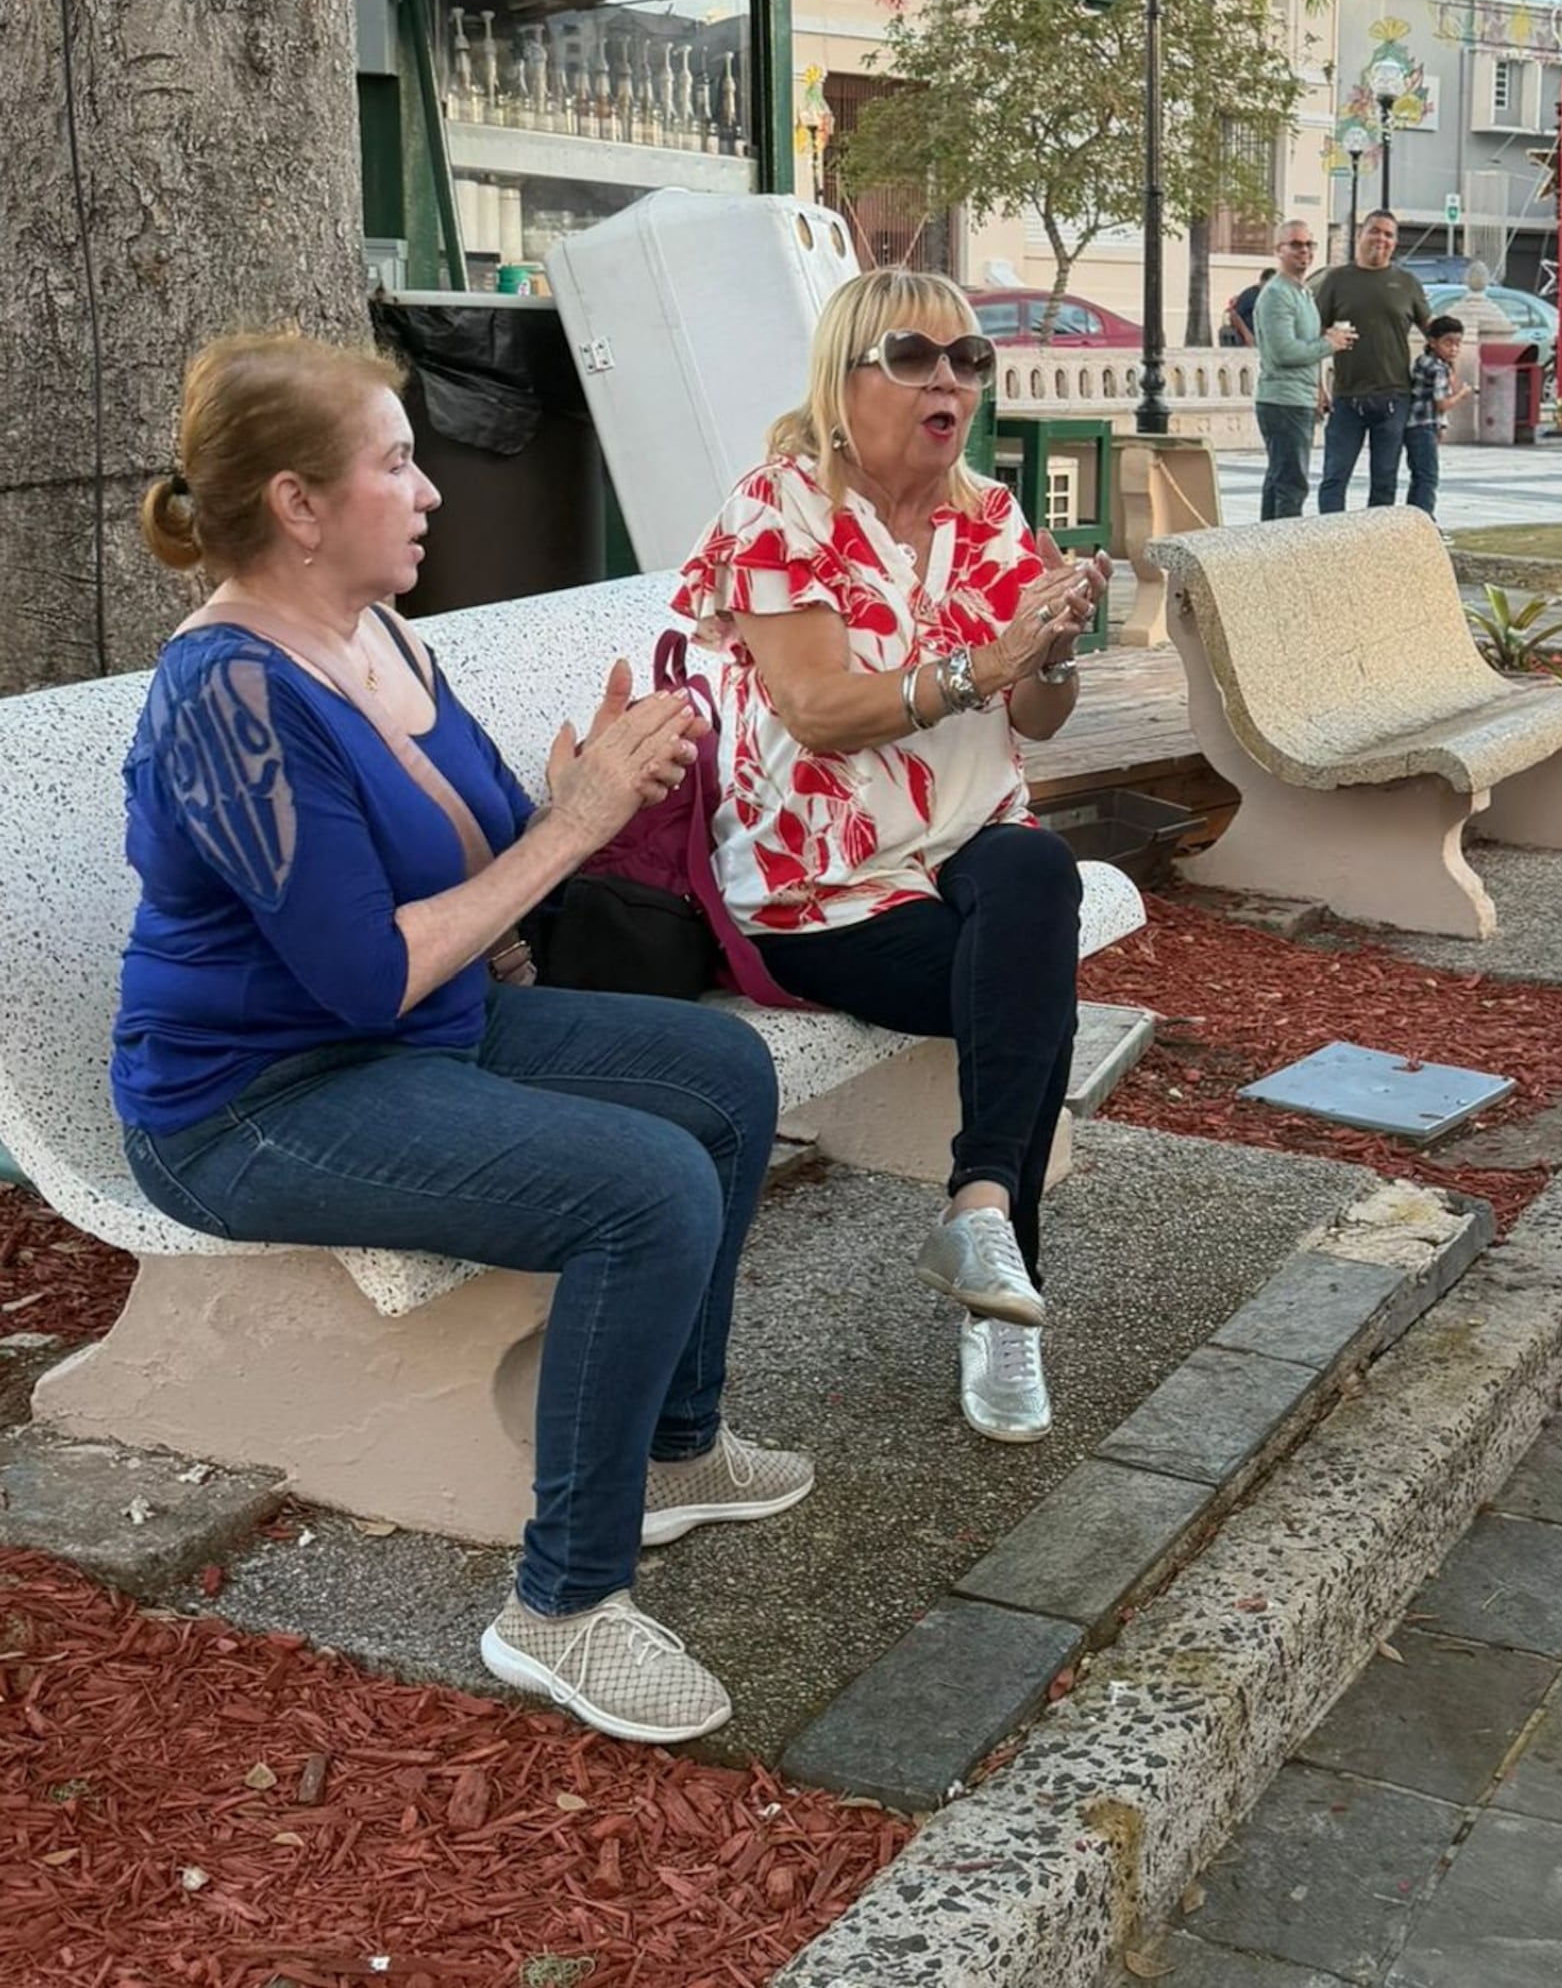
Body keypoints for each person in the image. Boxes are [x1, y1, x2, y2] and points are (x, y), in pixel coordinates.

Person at [116, 332, 804, 1747]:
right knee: (646, 1184)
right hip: (251, 1100)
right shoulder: (230, 698)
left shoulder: (379, 629)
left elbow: (486, 835)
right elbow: (363, 974)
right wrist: (577, 825)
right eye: (395, 461)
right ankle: (561, 1606)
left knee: (724, 1075)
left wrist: (579, 782)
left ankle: (674, 1448)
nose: (428, 488)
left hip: (423, 1029)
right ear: (300, 505)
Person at [673, 269, 1107, 1448]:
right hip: (819, 889)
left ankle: (978, 1212)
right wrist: (983, 665)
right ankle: (1003, 1304)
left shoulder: (990, 517)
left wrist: (1053, 650)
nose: (949, 382)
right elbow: (816, 709)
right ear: (845, 377)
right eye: (915, 357)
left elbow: (1044, 719)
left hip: (967, 847)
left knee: (1032, 880)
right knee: (1032, 983)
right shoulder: (781, 511)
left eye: (971, 361)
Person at [1315, 211, 1432, 511]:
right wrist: (1316, 387)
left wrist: (1445, 376)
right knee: (1334, 477)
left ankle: (1376, 547)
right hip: (1346, 397)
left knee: (1384, 480)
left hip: (1394, 397)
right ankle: (1331, 542)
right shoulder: (1336, 280)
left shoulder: (1406, 283)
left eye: (1389, 235)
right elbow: (1313, 336)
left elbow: (1434, 333)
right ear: (1360, 235)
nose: (1381, 239)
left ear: (1395, 243)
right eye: (1375, 231)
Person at [1253, 221, 1354, 521]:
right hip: (1282, 401)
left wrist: (1319, 389)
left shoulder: (1304, 293)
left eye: (1310, 245)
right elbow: (1283, 352)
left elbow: (1307, 347)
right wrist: (1329, 344)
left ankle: (1267, 551)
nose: (1305, 251)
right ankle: (1284, 553)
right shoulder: (1276, 295)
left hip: (1300, 398)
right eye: (1296, 245)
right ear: (1278, 250)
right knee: (1291, 485)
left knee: (1279, 480)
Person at [1404, 315, 1472, 521]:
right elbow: (1441, 403)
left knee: (1419, 475)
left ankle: (1414, 520)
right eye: (1448, 342)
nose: (1454, 349)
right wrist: (1463, 393)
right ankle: (1425, 521)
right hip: (1423, 425)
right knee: (1427, 477)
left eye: (1457, 344)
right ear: (1432, 342)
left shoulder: (1424, 362)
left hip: (1415, 424)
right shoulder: (1437, 368)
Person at [1224, 267, 1276, 348]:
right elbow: (1234, 314)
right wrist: (1247, 335)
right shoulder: (1251, 295)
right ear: (1263, 281)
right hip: (1250, 339)